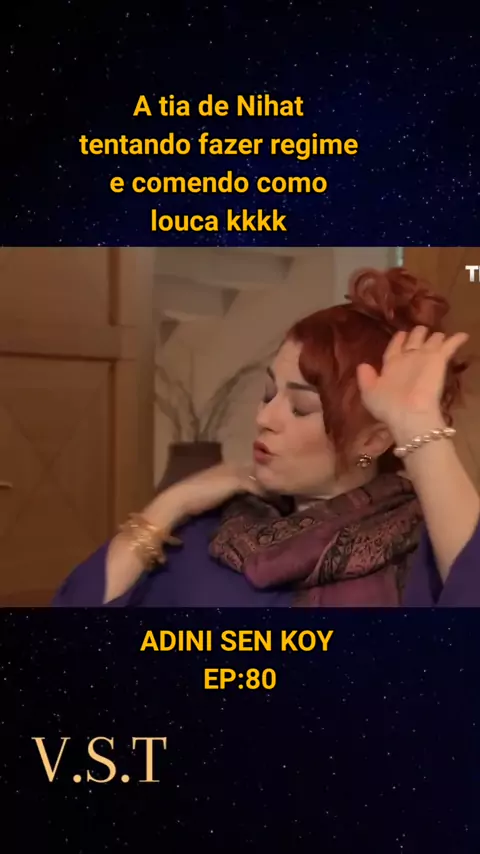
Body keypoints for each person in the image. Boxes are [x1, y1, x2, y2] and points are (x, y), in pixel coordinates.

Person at [52, 267, 480, 608]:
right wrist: (172, 504)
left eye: (301, 408)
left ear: (372, 441)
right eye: (268, 393)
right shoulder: (207, 531)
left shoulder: (426, 549)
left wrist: (417, 425)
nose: (264, 417)